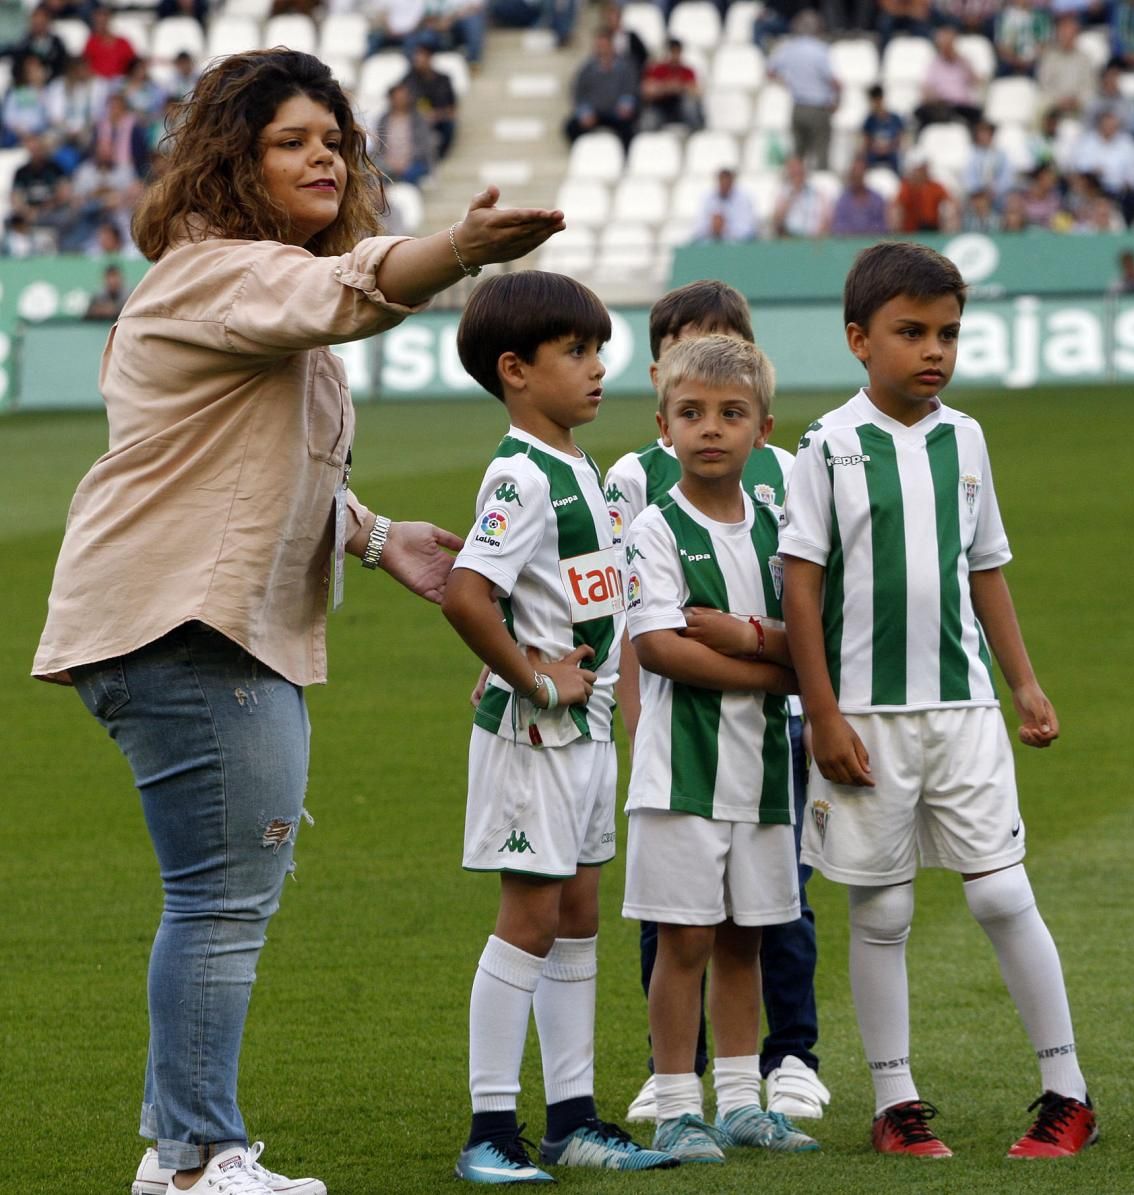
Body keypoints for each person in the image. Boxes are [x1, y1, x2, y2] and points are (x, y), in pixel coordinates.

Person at [32, 48, 564, 1195]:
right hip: (189, 626)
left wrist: (375, 537)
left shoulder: (226, 282)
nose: (324, 154)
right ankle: (196, 1162)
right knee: (221, 900)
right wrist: (463, 250)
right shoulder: (218, 272)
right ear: (234, 163)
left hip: (174, 616)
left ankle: (181, 1146)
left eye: (334, 138)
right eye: (291, 140)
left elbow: (239, 459)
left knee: (216, 896)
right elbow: (352, 291)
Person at [779, 240, 1097, 1161]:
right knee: (880, 911)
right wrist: (825, 714)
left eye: (948, 333)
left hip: (963, 713)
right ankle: (895, 1102)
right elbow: (801, 588)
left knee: (1002, 894)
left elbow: (986, 565)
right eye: (911, 332)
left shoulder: (968, 437)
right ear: (857, 339)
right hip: (865, 718)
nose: (934, 351)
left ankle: (1068, 1090)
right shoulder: (826, 446)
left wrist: (1023, 681)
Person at [440, 270, 678, 1184]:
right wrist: (533, 677)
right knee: (530, 915)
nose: (596, 368)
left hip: (583, 735)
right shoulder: (519, 472)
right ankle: (489, 1128)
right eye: (575, 352)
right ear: (515, 371)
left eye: (597, 350)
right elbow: (468, 593)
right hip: (535, 735)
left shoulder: (575, 465)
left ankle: (571, 1116)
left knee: (578, 913)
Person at [604, 280, 828, 1130]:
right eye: (691, 412)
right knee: (684, 938)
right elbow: (660, 646)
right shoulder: (655, 525)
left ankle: (742, 1099)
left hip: (769, 769)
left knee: (748, 936)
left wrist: (742, 640)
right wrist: (784, 668)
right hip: (681, 768)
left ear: (762, 429)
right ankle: (673, 1102)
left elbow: (818, 635)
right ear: (663, 424)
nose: (710, 428)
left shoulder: (782, 521)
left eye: (731, 413)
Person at [766, 11, 839, 170]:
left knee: (798, 154)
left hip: (798, 107)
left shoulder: (788, 48)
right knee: (821, 155)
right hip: (818, 109)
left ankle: (795, 187)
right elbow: (834, 81)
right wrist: (837, 100)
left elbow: (770, 72)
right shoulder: (820, 50)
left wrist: (787, 84)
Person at [564, 30, 640, 152]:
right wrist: (585, 112)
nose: (601, 49)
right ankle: (582, 153)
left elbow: (631, 89)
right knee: (571, 127)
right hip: (594, 113)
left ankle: (625, 157)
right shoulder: (587, 69)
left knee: (629, 128)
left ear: (611, 46)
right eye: (599, 46)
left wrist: (626, 104)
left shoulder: (626, 67)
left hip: (617, 113)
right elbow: (578, 92)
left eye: (604, 46)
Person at [374, 80, 435, 184]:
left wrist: (406, 162)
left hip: (413, 162)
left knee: (411, 175)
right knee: (375, 172)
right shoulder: (383, 119)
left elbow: (424, 145)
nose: (400, 100)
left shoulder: (418, 119)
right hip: (388, 162)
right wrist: (389, 162)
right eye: (397, 97)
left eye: (403, 97)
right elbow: (379, 145)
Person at [640, 37, 703, 132]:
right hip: (661, 108)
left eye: (677, 52)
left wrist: (680, 87)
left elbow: (697, 92)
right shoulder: (657, 70)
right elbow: (646, 92)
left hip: (680, 110)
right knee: (648, 119)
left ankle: (697, 137)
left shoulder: (687, 71)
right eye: (673, 52)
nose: (675, 56)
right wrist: (666, 87)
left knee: (690, 108)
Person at [691, 167, 760, 243]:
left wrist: (725, 228)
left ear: (732, 181)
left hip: (738, 244)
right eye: (722, 180)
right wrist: (713, 228)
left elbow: (747, 228)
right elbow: (699, 227)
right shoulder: (706, 198)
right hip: (711, 242)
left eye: (727, 181)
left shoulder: (745, 198)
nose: (724, 184)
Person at [772, 154, 831, 237]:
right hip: (789, 240)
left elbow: (826, 220)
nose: (796, 172)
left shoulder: (818, 193)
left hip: (814, 241)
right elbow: (776, 222)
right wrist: (791, 196)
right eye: (793, 170)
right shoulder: (782, 194)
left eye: (799, 169)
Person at [830, 156, 888, 235]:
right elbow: (839, 227)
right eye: (855, 173)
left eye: (860, 173)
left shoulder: (877, 199)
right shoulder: (842, 201)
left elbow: (882, 226)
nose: (857, 176)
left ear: (865, 174)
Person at [861, 84, 906, 173]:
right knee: (865, 159)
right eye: (874, 101)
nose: (876, 104)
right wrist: (875, 148)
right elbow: (866, 140)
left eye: (878, 100)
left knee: (897, 159)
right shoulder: (869, 120)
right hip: (874, 152)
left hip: (891, 151)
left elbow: (900, 138)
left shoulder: (895, 118)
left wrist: (888, 148)